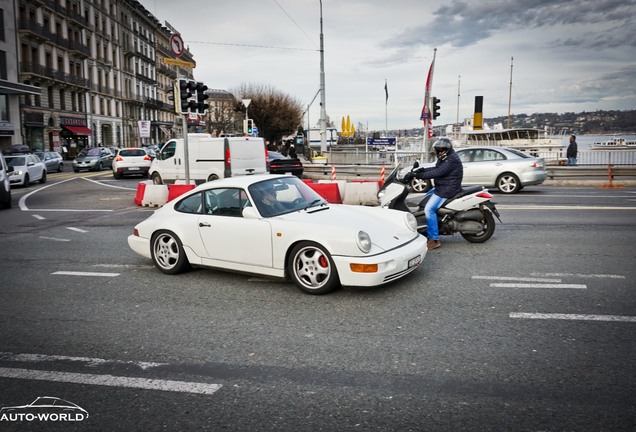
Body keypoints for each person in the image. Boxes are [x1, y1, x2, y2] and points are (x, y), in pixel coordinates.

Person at [407, 138, 463, 250]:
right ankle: (434, 223)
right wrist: (420, 170)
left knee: (429, 209)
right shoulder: (446, 157)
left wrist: (420, 176)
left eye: (440, 150)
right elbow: (436, 168)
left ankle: (434, 239)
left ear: (446, 150)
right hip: (442, 186)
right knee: (426, 197)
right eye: (437, 150)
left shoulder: (451, 160)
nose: (438, 152)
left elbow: (438, 172)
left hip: (447, 189)